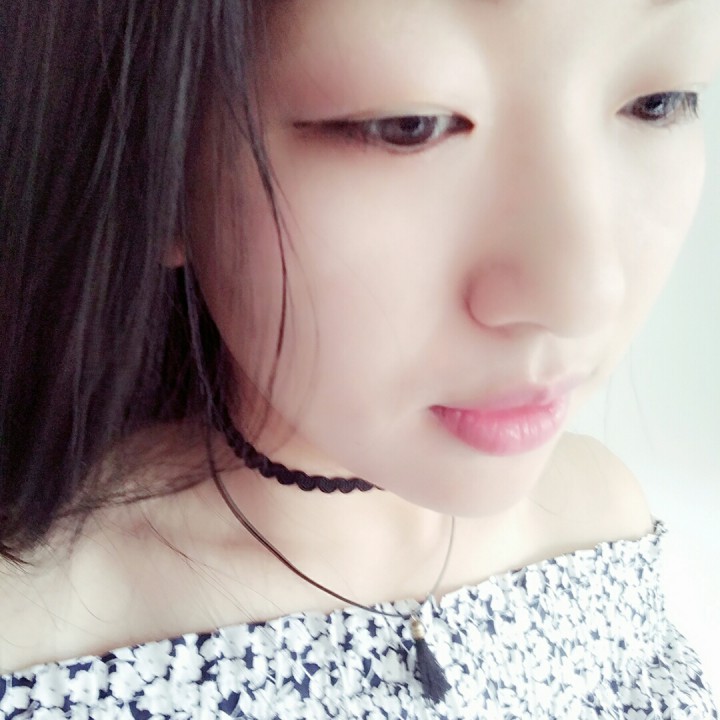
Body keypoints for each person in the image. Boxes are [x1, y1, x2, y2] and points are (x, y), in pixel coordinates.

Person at [1, 1, 718, 717]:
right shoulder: (38, 645)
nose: (584, 296)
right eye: (408, 125)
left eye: (657, 102)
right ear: (159, 166)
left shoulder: (605, 523)